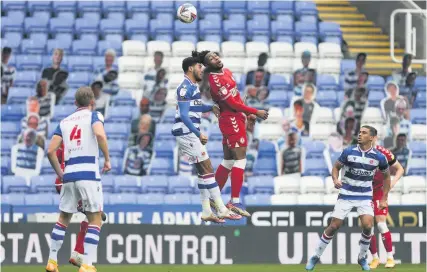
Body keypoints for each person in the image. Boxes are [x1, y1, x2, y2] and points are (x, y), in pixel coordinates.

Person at [194, 50, 269, 217]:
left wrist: (247, 114)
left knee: (228, 161)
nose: (215, 58)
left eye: (215, 55)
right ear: (207, 65)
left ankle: (215, 196)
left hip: (236, 118)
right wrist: (255, 111)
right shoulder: (215, 81)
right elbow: (232, 103)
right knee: (241, 159)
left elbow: (237, 98)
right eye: (211, 58)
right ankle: (234, 201)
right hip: (230, 121)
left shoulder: (227, 72)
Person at [306, 126, 391, 271]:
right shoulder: (348, 152)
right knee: (334, 226)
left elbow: (387, 176)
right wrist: (335, 179)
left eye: (364, 133)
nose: (360, 134)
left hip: (364, 195)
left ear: (371, 137)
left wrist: (384, 198)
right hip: (346, 193)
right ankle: (315, 256)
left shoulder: (379, 157)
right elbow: (336, 167)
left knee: (368, 226)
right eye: (359, 132)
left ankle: (362, 258)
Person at [45, 86, 111, 272]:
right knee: (95, 219)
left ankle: (52, 261)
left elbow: (50, 151)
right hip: (88, 173)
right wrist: (107, 159)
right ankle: (87, 264)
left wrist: (60, 173)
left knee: (63, 218)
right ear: (92, 102)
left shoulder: (64, 122)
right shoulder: (94, 116)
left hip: (69, 174)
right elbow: (99, 134)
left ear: (75, 103)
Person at [171, 55, 241, 222]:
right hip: (187, 134)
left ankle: (206, 211)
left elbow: (196, 106)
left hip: (188, 134)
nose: (202, 70)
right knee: (208, 168)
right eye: (199, 67)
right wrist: (198, 133)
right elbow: (184, 115)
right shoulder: (184, 88)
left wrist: (211, 107)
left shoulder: (192, 87)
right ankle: (222, 209)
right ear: (190, 68)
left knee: (203, 173)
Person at [54, 143, 107, 268]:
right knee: (99, 217)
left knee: (91, 217)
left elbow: (55, 156)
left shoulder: (65, 138)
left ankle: (75, 254)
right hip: (77, 181)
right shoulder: (82, 139)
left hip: (64, 182)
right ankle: (82, 258)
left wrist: (61, 174)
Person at [369, 141, 404, 269]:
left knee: (381, 225)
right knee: (367, 227)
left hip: (379, 192)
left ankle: (390, 258)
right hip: (365, 193)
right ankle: (375, 258)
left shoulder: (383, 152)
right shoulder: (357, 153)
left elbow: (400, 168)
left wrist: (392, 183)